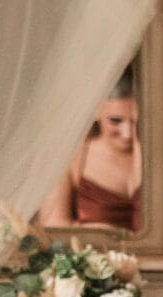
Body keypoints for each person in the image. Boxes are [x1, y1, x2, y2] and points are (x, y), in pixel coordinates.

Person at [39, 74, 141, 229]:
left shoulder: (160, 156)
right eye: (115, 120)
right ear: (96, 111)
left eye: (136, 122)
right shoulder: (70, 159)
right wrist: (95, 233)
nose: (127, 133)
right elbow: (53, 225)